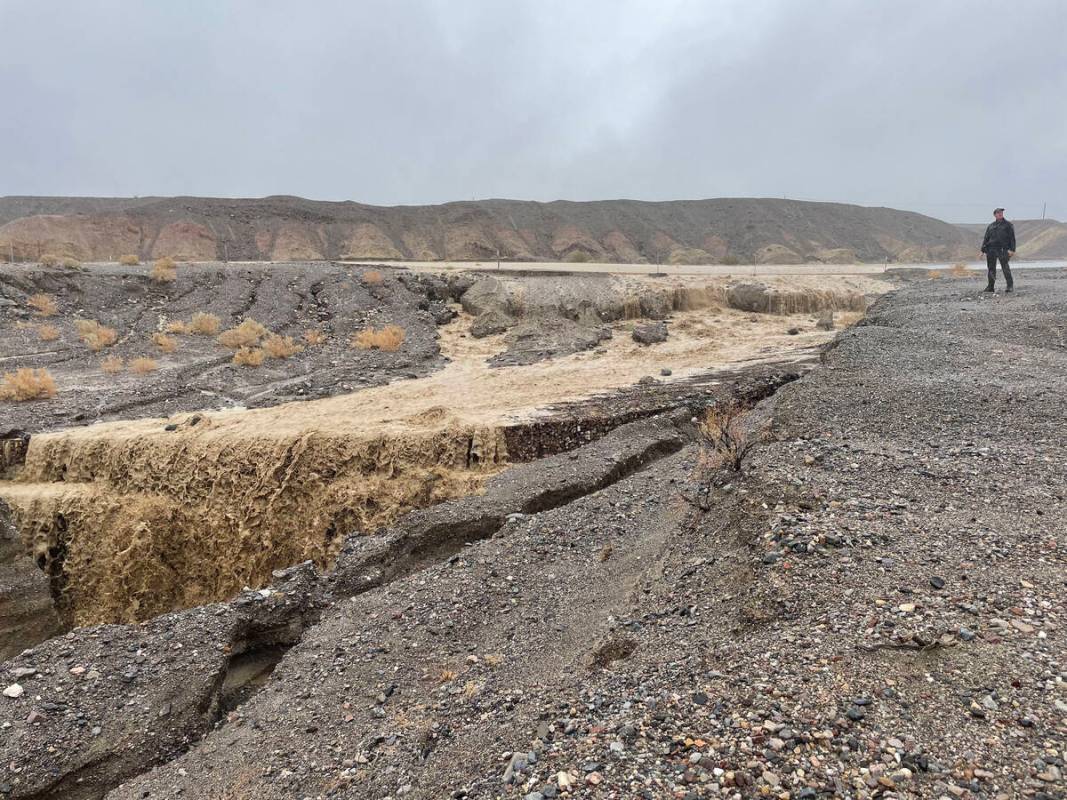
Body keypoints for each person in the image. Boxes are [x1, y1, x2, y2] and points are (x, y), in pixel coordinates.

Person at [980, 208, 1015, 293]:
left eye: (1001, 212)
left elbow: (1012, 238)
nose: (1000, 214)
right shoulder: (991, 226)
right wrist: (982, 250)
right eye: (998, 213)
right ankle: (990, 287)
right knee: (991, 269)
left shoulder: (1008, 225)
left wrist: (1012, 250)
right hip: (991, 249)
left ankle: (1009, 286)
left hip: (1003, 249)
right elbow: (986, 238)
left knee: (1005, 267)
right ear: (995, 214)